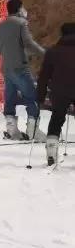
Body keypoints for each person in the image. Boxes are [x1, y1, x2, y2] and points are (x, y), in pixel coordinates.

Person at [0, 0, 46, 141]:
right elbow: (29, 43)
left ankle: (11, 129)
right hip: (20, 67)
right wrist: (45, 53)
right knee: (32, 96)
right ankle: (33, 129)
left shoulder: (0, 26)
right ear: (19, 9)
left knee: (10, 97)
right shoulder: (21, 24)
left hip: (6, 68)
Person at [37, 23, 75, 166]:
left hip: (59, 91)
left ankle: (52, 149)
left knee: (57, 118)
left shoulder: (53, 52)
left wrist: (40, 96)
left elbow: (44, 76)